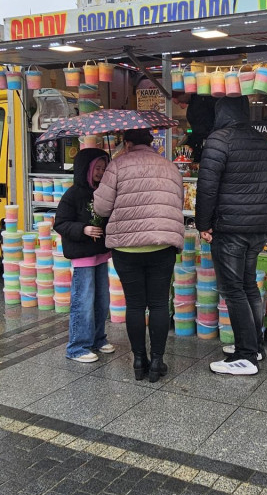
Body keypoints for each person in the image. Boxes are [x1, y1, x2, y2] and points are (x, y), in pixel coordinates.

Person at [93, 128, 184, 382]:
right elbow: (178, 201)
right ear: (151, 142)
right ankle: (157, 361)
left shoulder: (118, 165)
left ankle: (138, 360)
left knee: (135, 304)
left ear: (127, 142)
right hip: (162, 245)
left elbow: (101, 207)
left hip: (126, 247)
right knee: (157, 304)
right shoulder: (169, 166)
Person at [196, 96, 267, 376]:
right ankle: (254, 346)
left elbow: (207, 188)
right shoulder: (261, 142)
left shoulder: (218, 140)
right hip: (258, 227)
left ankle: (245, 357)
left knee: (234, 291)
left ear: (221, 112)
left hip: (230, 228)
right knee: (248, 286)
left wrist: (203, 223)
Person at [54, 148, 114, 363]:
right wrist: (83, 229)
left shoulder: (102, 192)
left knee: (102, 300)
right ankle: (77, 346)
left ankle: (98, 338)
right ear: (86, 169)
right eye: (97, 168)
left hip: (100, 254)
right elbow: (60, 223)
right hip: (83, 256)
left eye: (104, 167)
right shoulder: (73, 194)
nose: (101, 171)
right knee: (84, 301)